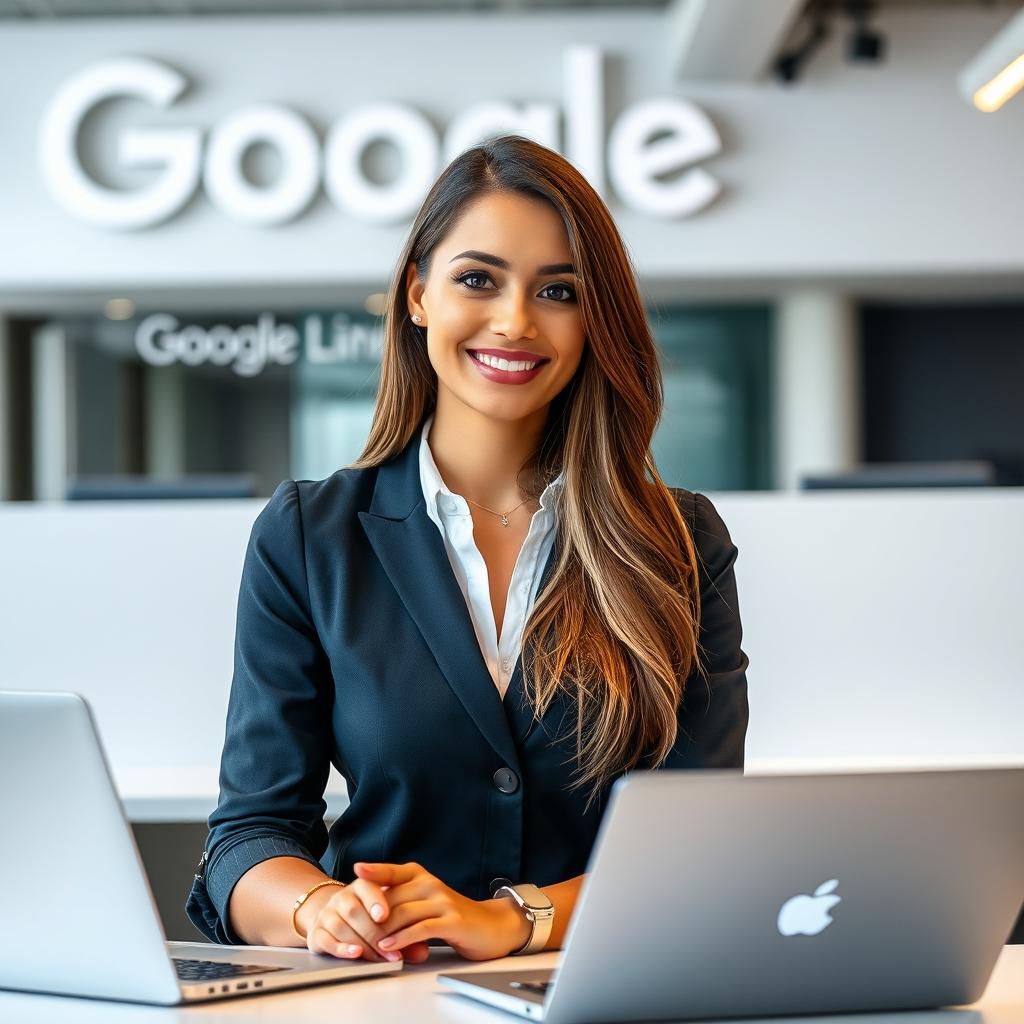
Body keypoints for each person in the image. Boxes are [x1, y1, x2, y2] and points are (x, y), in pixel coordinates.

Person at [185, 134, 749, 965]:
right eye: (477, 279)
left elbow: (698, 842)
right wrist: (316, 910)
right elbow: (251, 834)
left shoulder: (678, 542)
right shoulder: (311, 536)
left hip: (610, 988)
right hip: (384, 994)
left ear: (596, 320)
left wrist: (515, 919)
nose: (515, 321)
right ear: (418, 295)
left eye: (559, 290)